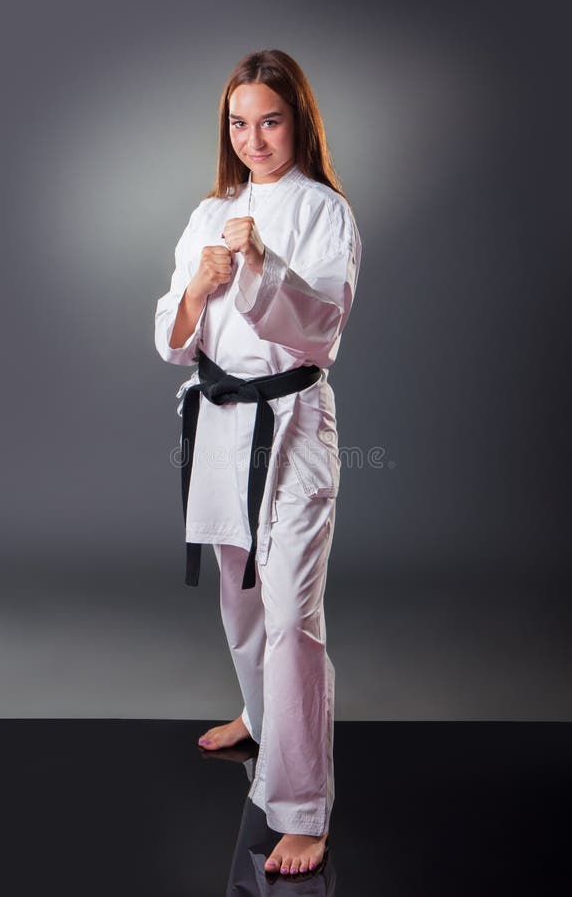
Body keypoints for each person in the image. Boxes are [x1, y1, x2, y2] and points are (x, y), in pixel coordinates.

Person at [154, 48, 362, 877]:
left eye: (269, 121)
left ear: (297, 120)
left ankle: (303, 807)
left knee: (291, 617)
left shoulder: (324, 212)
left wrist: (259, 268)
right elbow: (171, 339)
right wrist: (202, 287)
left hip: (294, 424)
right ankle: (258, 715)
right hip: (219, 423)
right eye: (239, 124)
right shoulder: (210, 212)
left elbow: (321, 326)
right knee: (241, 605)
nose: (254, 138)